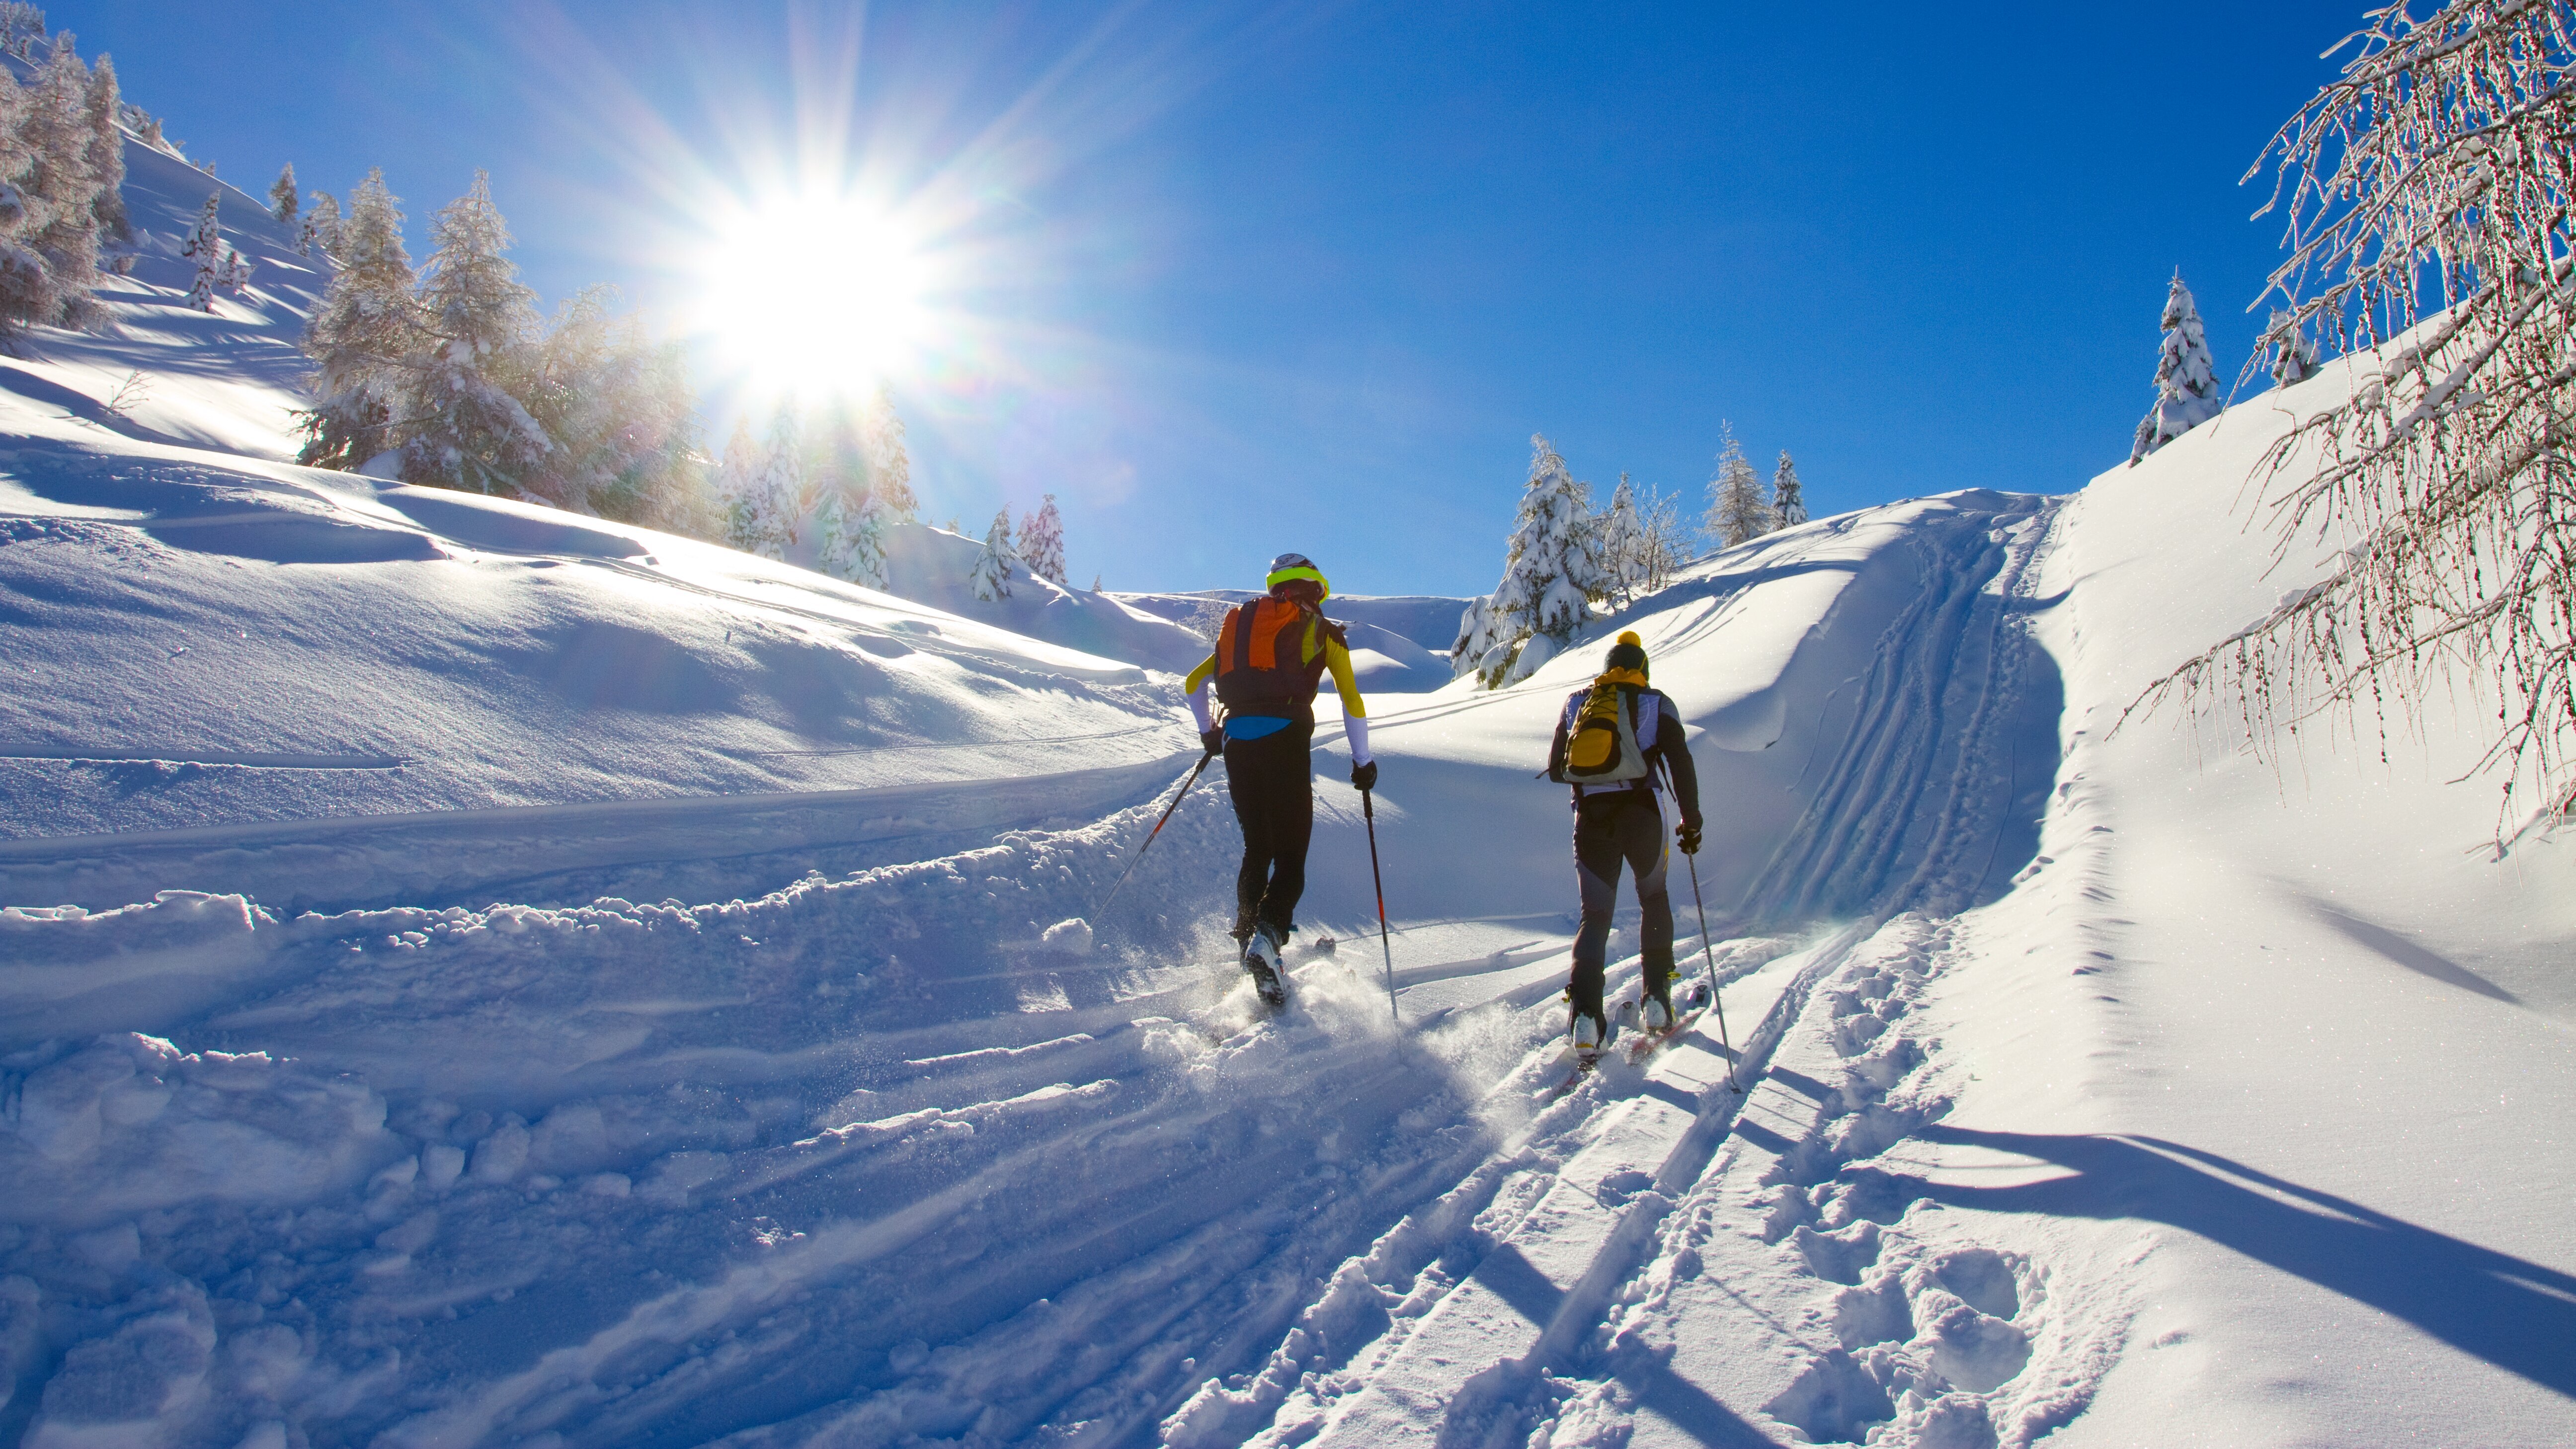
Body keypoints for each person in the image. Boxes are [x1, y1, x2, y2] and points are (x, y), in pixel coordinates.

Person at [1182, 552, 1376, 1004]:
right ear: (1314, 589)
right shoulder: (1323, 633)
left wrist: (1211, 735)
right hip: (1285, 739)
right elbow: (1352, 701)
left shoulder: (1244, 633)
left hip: (1236, 744)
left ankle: (1249, 944)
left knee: (1258, 847)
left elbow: (1193, 685)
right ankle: (1267, 941)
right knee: (1291, 857)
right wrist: (1362, 762)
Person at [1545, 630, 1702, 1051]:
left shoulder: (1579, 702)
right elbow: (1681, 763)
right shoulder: (1656, 703)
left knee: (1594, 915)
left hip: (1591, 820)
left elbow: (1558, 769)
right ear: (1643, 670)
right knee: (1653, 897)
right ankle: (1656, 999)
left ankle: (1585, 1019)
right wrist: (1692, 819)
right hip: (1643, 816)